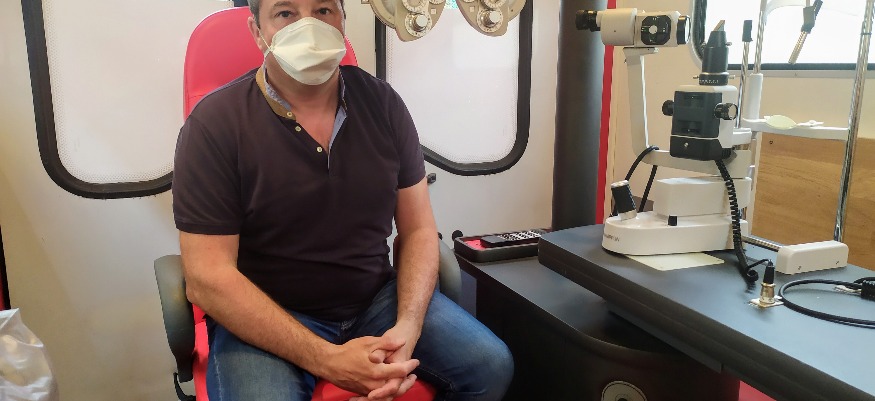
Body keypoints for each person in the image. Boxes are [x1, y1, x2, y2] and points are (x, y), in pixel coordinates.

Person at [171, 0, 514, 400]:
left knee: (490, 366)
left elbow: (419, 229)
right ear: (257, 32)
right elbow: (207, 278)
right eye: (285, 13)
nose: (308, 26)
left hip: (375, 300)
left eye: (323, 10)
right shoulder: (214, 125)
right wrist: (328, 359)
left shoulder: (383, 104)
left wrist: (408, 327)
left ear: (342, 20)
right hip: (268, 313)